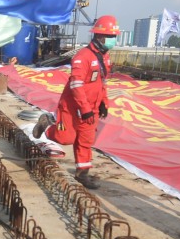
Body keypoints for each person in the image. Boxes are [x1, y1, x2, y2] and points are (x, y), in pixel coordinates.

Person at [33, 15, 117, 189]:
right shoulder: (82, 57)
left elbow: (102, 82)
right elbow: (76, 85)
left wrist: (104, 103)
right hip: (72, 107)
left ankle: (82, 174)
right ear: (100, 36)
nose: (112, 41)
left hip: (91, 108)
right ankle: (46, 124)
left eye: (113, 37)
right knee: (65, 138)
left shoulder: (105, 57)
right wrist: (84, 108)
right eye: (110, 37)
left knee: (85, 141)